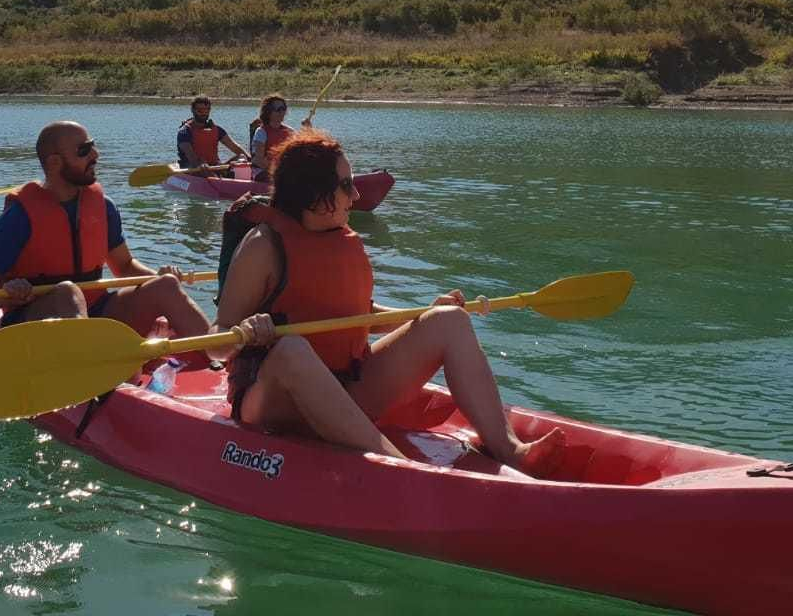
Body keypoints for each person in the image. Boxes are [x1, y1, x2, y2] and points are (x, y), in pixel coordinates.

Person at [209, 129, 563, 471]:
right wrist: (244, 331)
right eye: (346, 185)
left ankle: (510, 450)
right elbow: (215, 345)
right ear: (314, 196)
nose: (357, 196)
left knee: (448, 320)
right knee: (291, 349)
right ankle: (397, 467)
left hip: (344, 386)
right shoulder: (263, 246)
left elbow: (362, 316)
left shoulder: (341, 240)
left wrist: (426, 313)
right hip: (272, 401)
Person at [0, 120, 210, 336]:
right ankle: (88, 370)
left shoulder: (103, 206)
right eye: (84, 150)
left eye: (92, 145)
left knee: (165, 286)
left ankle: (220, 359)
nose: (95, 154)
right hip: (33, 319)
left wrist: (159, 276)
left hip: (96, 308)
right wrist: (7, 291)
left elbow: (124, 266)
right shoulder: (19, 217)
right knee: (67, 294)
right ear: (54, 163)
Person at [247, 94, 307, 186]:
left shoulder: (290, 131)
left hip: (281, 172)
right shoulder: (261, 132)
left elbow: (302, 150)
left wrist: (307, 130)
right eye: (278, 109)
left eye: (283, 109)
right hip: (262, 172)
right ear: (268, 112)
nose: (282, 112)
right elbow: (259, 160)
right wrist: (278, 172)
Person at [176, 95, 246, 173]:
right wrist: (201, 164)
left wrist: (251, 159)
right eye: (200, 110)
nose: (204, 113)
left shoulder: (217, 130)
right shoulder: (184, 132)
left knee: (242, 156)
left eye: (207, 110)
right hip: (195, 169)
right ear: (192, 110)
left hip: (215, 167)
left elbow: (235, 147)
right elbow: (191, 157)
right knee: (204, 168)